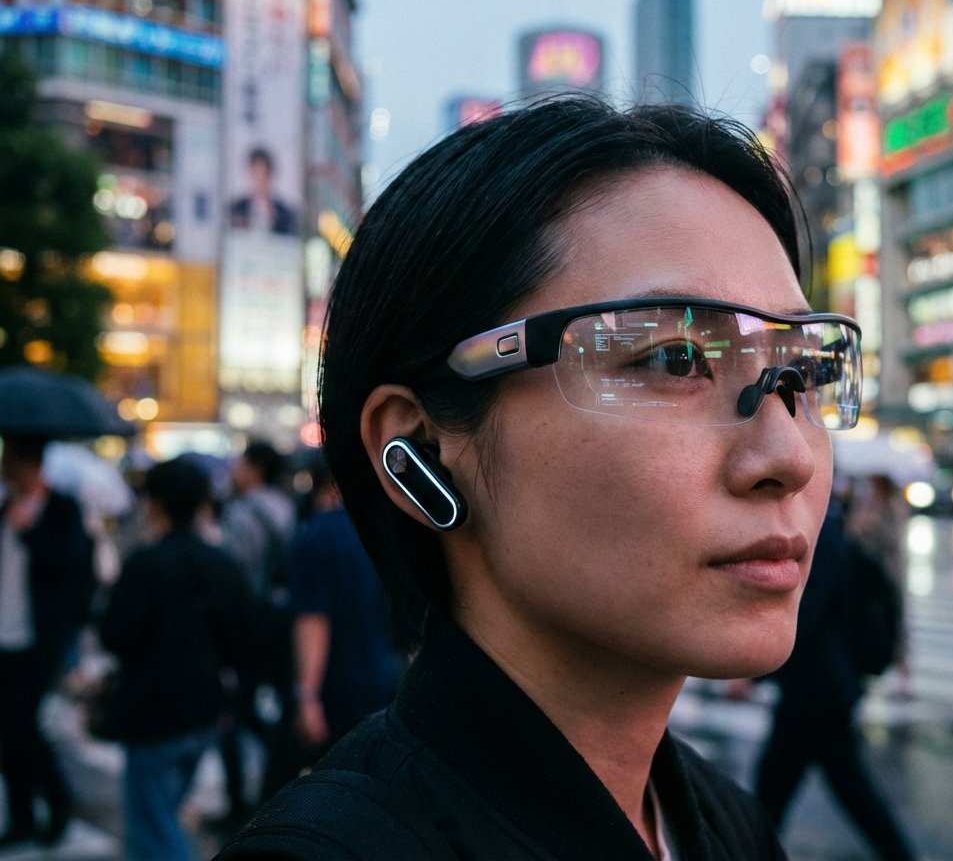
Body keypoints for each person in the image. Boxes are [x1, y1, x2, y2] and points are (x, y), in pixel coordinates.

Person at [216, 96, 863, 858]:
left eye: (802, 374)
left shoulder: (726, 823)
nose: (788, 459)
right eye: (674, 358)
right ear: (419, 445)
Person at [98, 457, 252, 861]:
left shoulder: (145, 563)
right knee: (164, 813)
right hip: (205, 707)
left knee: (152, 827)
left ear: (155, 502)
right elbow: (240, 638)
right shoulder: (221, 562)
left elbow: (115, 635)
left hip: (151, 710)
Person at [753, 499, 917, 861]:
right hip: (826, 687)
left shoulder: (822, 537)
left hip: (818, 689)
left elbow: (807, 614)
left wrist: (756, 672)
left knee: (780, 789)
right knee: (830, 786)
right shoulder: (832, 532)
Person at [280, 458, 406, 778]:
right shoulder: (387, 527)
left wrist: (307, 697)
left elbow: (312, 620)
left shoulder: (316, 536)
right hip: (386, 679)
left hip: (336, 687)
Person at [0, 434, 93, 848]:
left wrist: (29, 532)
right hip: (4, 631)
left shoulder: (61, 508)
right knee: (9, 729)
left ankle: (57, 802)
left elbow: (70, 565)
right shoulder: (6, 505)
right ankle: (22, 816)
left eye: (10, 460)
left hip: (38, 636)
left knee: (20, 724)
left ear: (30, 464)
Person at [216, 439, 297, 823]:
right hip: (281, 622)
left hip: (248, 625)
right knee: (271, 703)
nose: (235, 469)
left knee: (232, 712)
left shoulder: (242, 513)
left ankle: (237, 803)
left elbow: (236, 577)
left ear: (255, 468)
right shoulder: (286, 506)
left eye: (241, 462)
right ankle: (275, 782)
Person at [846, 473, 911, 695]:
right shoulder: (865, 500)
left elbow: (894, 537)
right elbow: (852, 531)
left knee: (898, 622)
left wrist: (871, 523)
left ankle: (904, 676)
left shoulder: (895, 505)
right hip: (867, 571)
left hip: (890, 571)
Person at [227, 147, 299, 235]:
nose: (259, 179)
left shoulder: (285, 213)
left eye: (263, 173)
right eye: (256, 173)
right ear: (250, 173)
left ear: (270, 174)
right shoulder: (237, 209)